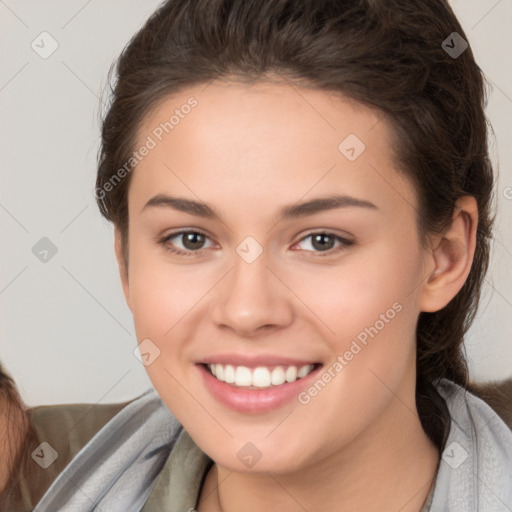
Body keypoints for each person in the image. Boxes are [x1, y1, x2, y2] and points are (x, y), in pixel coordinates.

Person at [2, 0, 512, 510]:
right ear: (125, 260)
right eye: (191, 239)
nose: (247, 310)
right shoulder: (30, 471)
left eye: (321, 240)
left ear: (444, 257)